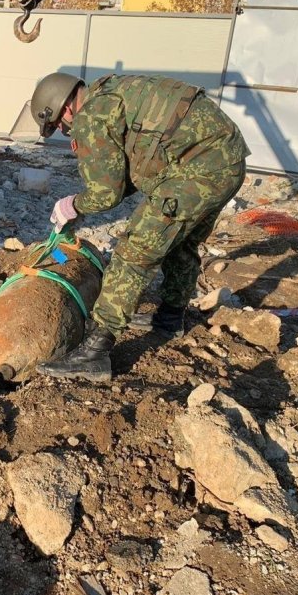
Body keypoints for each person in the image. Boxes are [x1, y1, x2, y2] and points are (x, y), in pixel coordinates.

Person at [29, 72, 250, 382]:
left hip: (198, 167)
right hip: (225, 160)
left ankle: (95, 351)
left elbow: (106, 193)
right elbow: (133, 171)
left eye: (60, 127)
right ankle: (170, 320)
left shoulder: (91, 114)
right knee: (179, 240)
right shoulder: (113, 93)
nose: (66, 131)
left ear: (64, 109)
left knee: (134, 251)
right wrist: (84, 203)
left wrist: (74, 205)